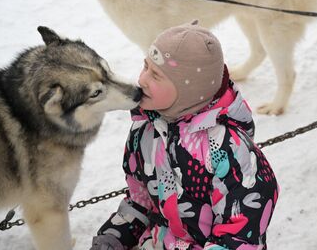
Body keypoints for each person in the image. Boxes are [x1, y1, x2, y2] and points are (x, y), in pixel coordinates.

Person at [90, 21, 279, 250]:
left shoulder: (230, 152)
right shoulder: (146, 131)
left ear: (189, 90)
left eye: (156, 75)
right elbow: (141, 203)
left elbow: (240, 238)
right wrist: (114, 237)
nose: (142, 79)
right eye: (145, 66)